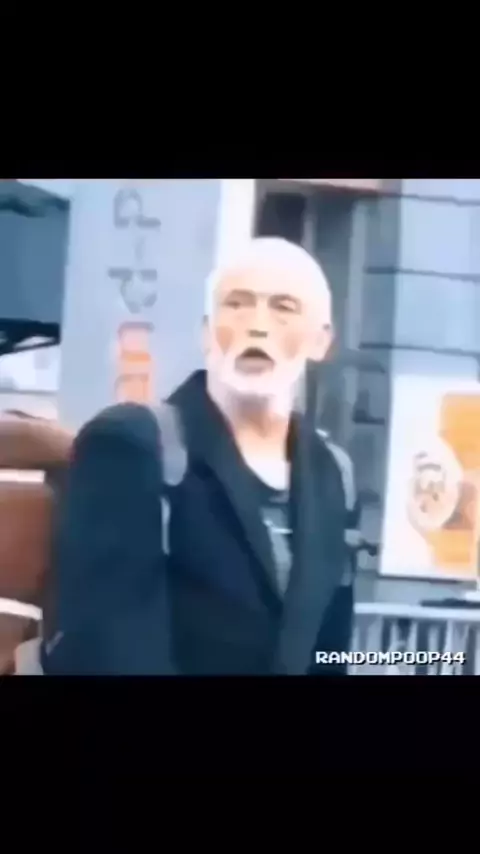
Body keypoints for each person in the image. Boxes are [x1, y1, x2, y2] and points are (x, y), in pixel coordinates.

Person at [44, 237, 355, 675]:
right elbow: (109, 645)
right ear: (207, 333)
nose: (256, 325)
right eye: (237, 305)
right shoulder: (132, 444)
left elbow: (330, 650)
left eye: (283, 308)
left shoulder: (333, 472)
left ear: (321, 340)